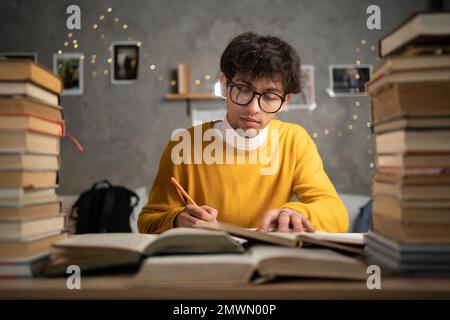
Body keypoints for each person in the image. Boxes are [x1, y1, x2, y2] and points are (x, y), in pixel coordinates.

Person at [138, 32, 348, 234]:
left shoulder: (295, 141)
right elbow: (147, 221)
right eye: (243, 89)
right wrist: (176, 219)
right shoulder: (183, 144)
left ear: (285, 102)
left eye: (269, 96)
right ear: (224, 85)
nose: (253, 108)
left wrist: (295, 212)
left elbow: (337, 214)